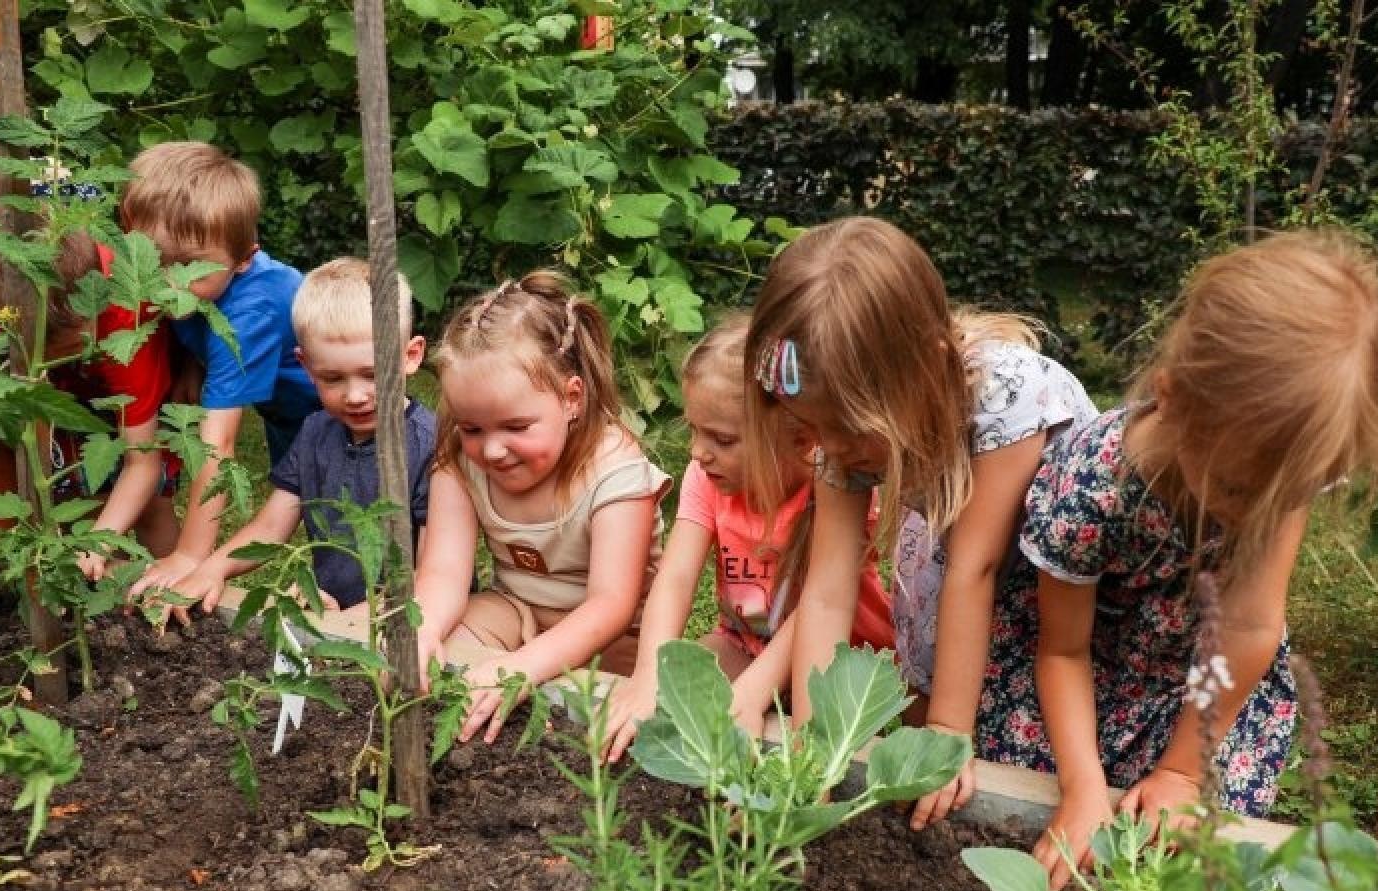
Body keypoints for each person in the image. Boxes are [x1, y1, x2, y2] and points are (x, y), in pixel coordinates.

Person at [1008, 230, 1378, 890]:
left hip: (1209, 680)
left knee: (1193, 832)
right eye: (1237, 491)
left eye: (1287, 494)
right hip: (1087, 665)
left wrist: (1181, 772)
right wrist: (1082, 789)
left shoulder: (1285, 466)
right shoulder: (1093, 486)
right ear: (1172, 397)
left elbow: (1249, 628)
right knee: (1047, 797)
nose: (1254, 516)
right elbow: (1062, 652)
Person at [743, 217, 1097, 831]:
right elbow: (828, 590)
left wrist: (946, 731)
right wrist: (813, 740)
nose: (827, 448)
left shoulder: (1007, 396)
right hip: (958, 551)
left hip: (1048, 581)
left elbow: (975, 569)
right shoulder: (847, 430)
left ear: (928, 370)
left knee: (974, 748)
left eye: (847, 431)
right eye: (809, 428)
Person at [601, 313, 895, 763]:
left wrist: (753, 692)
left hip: (838, 665)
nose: (698, 453)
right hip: (745, 643)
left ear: (801, 440)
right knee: (678, 698)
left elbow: (821, 607)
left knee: (759, 730)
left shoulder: (834, 487)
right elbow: (677, 577)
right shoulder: (706, 477)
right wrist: (648, 676)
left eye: (721, 438)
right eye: (693, 429)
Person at [414, 271, 670, 743]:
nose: (491, 450)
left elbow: (612, 604)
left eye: (516, 426)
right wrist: (423, 628)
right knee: (444, 656)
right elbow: (445, 572)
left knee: (613, 713)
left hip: (617, 641)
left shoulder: (614, 468)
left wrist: (523, 667)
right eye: (472, 429)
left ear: (571, 398)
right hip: (517, 611)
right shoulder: (458, 459)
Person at [152, 258, 434, 625]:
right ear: (306, 365)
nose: (355, 395)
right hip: (334, 615)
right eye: (332, 378)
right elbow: (272, 526)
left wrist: (360, 618)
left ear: (410, 356)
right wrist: (213, 569)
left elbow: (434, 576)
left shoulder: (431, 447)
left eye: (372, 374)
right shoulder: (316, 431)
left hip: (412, 623)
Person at [120, 142, 320, 601]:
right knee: (304, 499)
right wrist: (193, 362)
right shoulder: (204, 285)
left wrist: (191, 556)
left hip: (340, 410)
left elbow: (219, 444)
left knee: (344, 517)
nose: (170, 283)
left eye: (189, 266)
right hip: (287, 411)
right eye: (156, 260)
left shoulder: (249, 315)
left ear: (245, 259)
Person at [0, 231, 179, 573]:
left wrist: (96, 543)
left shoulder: (127, 323)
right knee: (90, 501)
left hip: (137, 396)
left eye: (65, 348)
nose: (49, 360)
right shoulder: (9, 302)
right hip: (74, 394)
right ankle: (110, 588)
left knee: (154, 500)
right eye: (45, 355)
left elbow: (144, 464)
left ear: (87, 309)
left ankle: (175, 587)